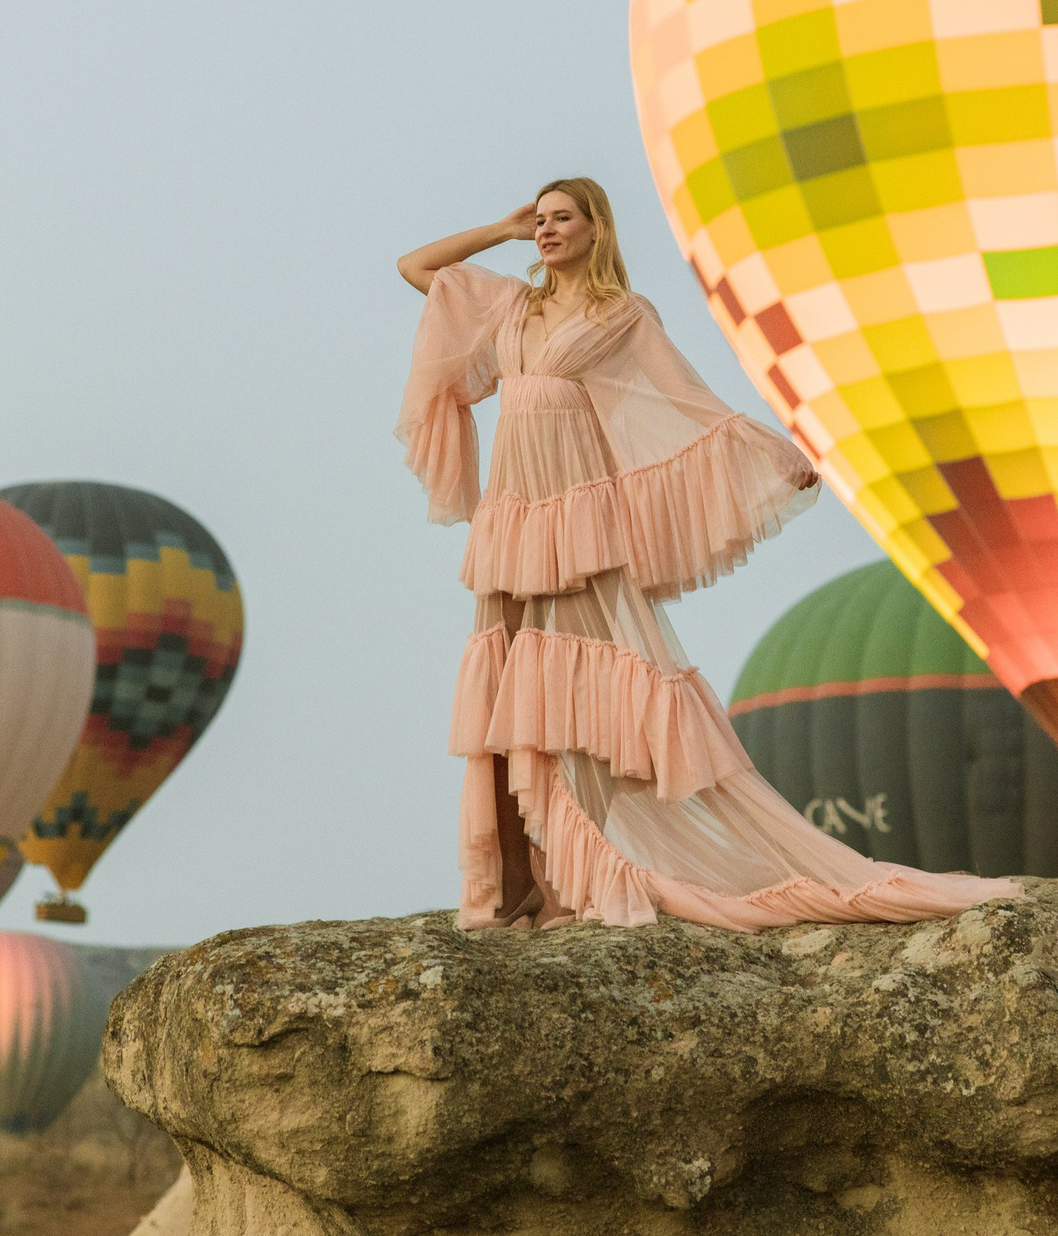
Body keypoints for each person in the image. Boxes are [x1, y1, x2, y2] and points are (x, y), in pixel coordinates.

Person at [398, 177, 1021, 930]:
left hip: (577, 519)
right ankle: (518, 883)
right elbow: (416, 267)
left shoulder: (621, 315)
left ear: (597, 229)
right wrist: (501, 228)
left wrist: (766, 452)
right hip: (514, 519)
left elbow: (686, 398)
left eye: (563, 218)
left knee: (580, 698)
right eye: (542, 220)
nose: (547, 230)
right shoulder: (512, 306)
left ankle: (574, 878)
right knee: (507, 693)